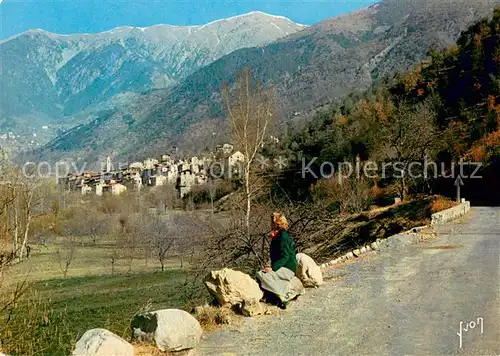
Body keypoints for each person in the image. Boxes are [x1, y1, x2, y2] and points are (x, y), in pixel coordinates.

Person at [256, 212, 304, 309]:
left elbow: (285, 256)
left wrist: (273, 268)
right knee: (266, 275)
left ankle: (283, 296)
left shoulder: (283, 237)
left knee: (261, 275)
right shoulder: (280, 235)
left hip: (288, 267)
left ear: (276, 224)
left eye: (272, 223)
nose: (270, 225)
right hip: (285, 266)